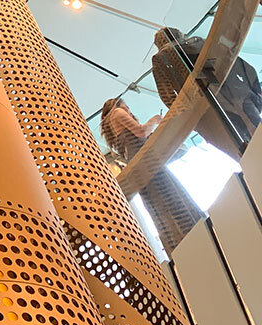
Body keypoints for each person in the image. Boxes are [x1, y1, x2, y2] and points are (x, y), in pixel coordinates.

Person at [100, 97, 203, 252]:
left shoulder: (114, 128)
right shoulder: (117, 112)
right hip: (149, 165)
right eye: (127, 107)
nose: (129, 111)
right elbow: (141, 132)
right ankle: (197, 235)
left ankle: (180, 245)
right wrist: (154, 119)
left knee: (160, 209)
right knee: (174, 200)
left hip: (142, 171)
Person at [152, 27, 259, 152]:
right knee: (256, 129)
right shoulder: (199, 41)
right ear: (179, 34)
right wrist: (254, 89)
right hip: (236, 93)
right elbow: (232, 60)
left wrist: (192, 116)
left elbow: (167, 96)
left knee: (241, 145)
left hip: (207, 105)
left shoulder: (160, 58)